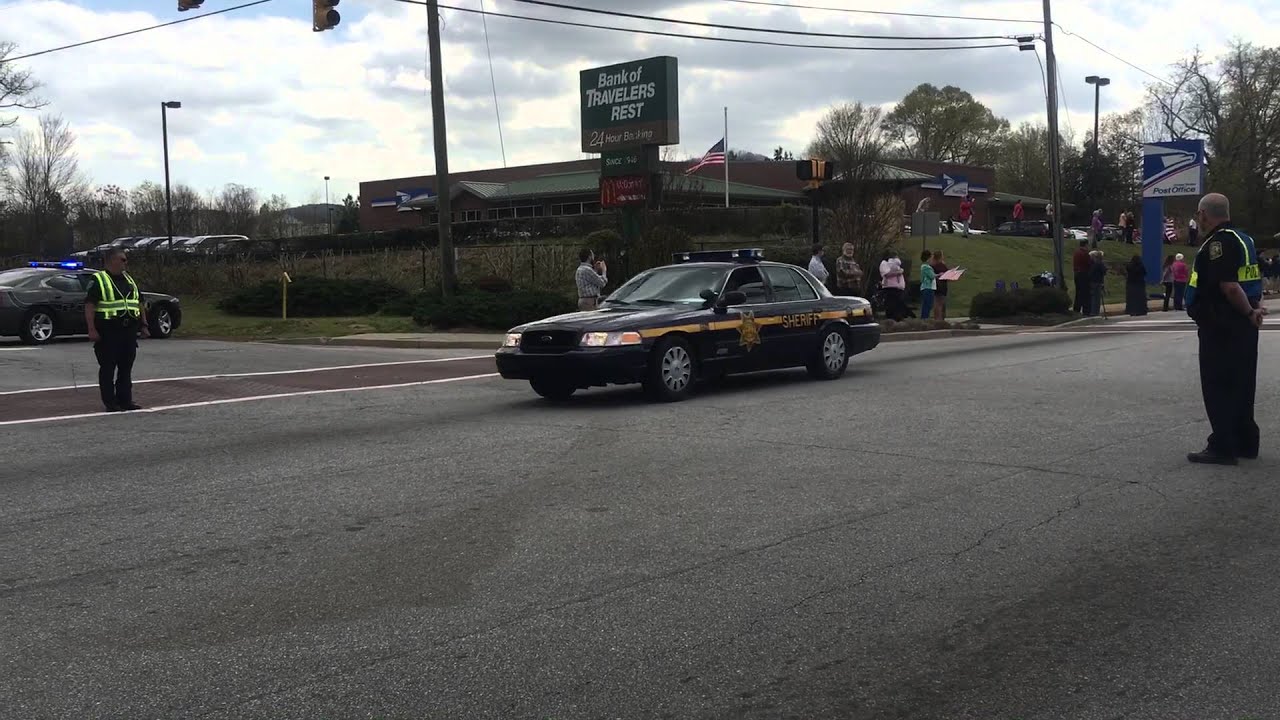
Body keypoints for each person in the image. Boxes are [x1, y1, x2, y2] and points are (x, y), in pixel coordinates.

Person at [1185, 192, 1264, 465]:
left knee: (1218, 384)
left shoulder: (1219, 244)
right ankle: (1245, 441)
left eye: (1199, 214)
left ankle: (1222, 445)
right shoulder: (1245, 240)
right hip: (1242, 324)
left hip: (1221, 322)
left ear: (1204, 214)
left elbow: (1229, 286)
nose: (1198, 219)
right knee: (1242, 384)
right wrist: (1253, 309)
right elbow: (1250, 279)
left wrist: (1247, 310)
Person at [84, 248, 149, 412]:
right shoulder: (99, 279)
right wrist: (91, 329)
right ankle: (110, 402)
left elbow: (139, 303)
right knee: (108, 368)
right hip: (108, 331)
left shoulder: (129, 279)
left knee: (126, 367)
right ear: (111, 260)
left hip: (128, 331)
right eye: (123, 259)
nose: (125, 263)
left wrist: (144, 325)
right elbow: (90, 305)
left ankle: (126, 400)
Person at [878, 251, 906, 321]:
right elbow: (886, 274)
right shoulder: (884, 263)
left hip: (898, 287)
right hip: (889, 286)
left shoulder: (896, 264)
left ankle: (897, 319)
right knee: (890, 304)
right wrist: (898, 272)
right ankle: (890, 320)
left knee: (897, 304)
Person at [929, 250, 950, 320]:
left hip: (940, 286)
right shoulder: (938, 265)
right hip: (940, 286)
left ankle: (939, 318)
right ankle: (939, 319)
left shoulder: (935, 265)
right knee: (939, 303)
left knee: (939, 303)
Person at [1072, 240, 1091, 314]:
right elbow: (1088, 264)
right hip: (1083, 274)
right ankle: (1086, 311)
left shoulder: (1076, 253)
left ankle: (1076, 309)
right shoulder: (1085, 254)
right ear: (1085, 245)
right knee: (1085, 294)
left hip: (1077, 274)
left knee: (1078, 293)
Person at [918, 250, 936, 321]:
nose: (932, 260)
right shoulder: (926, 267)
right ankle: (924, 319)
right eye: (931, 258)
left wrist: (937, 275)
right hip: (928, 287)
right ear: (928, 258)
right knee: (927, 305)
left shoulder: (924, 266)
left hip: (926, 288)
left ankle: (924, 319)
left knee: (927, 305)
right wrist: (938, 275)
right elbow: (932, 276)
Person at [1088, 250, 1107, 316]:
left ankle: (1093, 311)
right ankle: (1095, 312)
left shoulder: (1093, 264)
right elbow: (1104, 271)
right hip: (1097, 282)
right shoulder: (1099, 263)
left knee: (1093, 297)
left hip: (1092, 282)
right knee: (1096, 298)